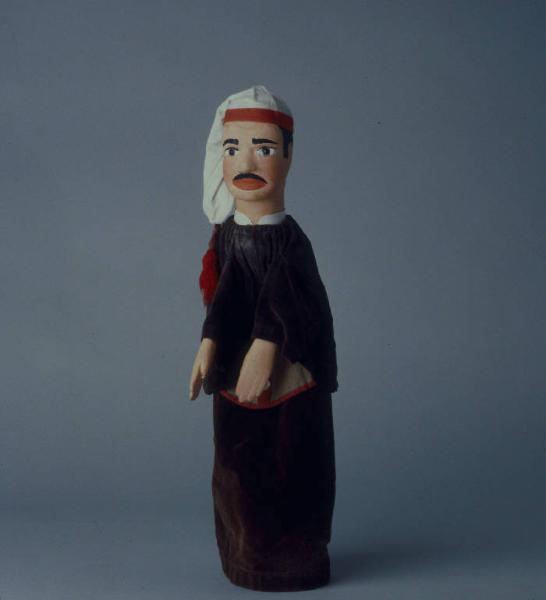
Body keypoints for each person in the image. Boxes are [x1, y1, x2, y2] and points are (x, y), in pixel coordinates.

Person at [189, 85, 338, 592]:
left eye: (264, 148)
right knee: (236, 468)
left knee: (288, 465)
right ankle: (243, 557)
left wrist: (268, 343)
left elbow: (294, 293)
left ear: (288, 158)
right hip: (236, 375)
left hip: (289, 381)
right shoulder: (230, 236)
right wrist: (210, 342)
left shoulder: (291, 241)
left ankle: (292, 562)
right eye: (233, 148)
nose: (246, 162)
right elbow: (226, 293)